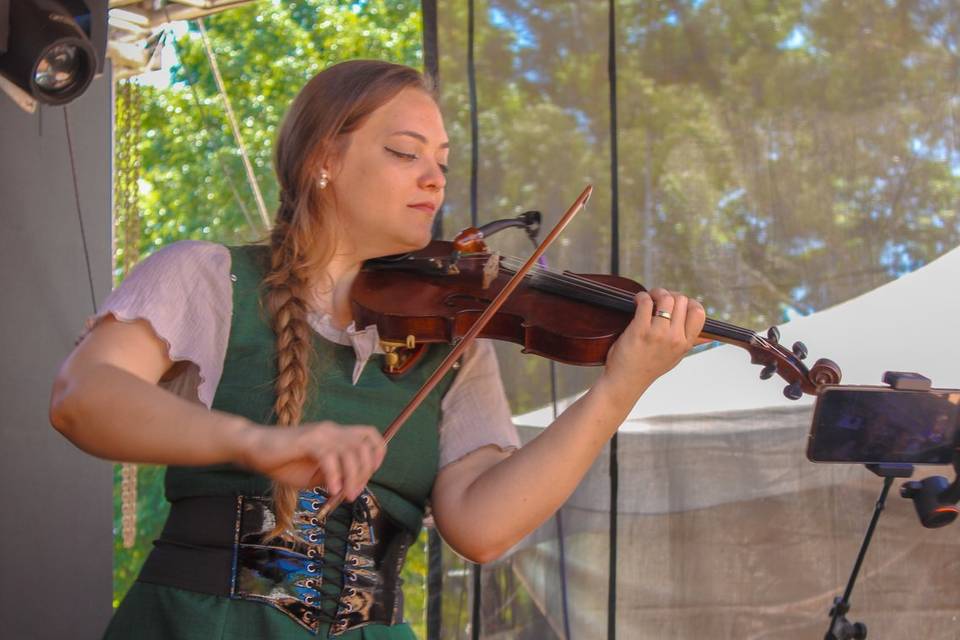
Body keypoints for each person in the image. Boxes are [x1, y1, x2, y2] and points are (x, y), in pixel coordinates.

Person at [49, 59, 706, 639]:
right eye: (405, 153)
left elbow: (482, 527)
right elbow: (83, 398)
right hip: (206, 626)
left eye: (443, 163)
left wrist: (621, 387)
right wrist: (258, 443)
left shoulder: (457, 345)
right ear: (323, 161)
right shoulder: (206, 277)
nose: (435, 180)